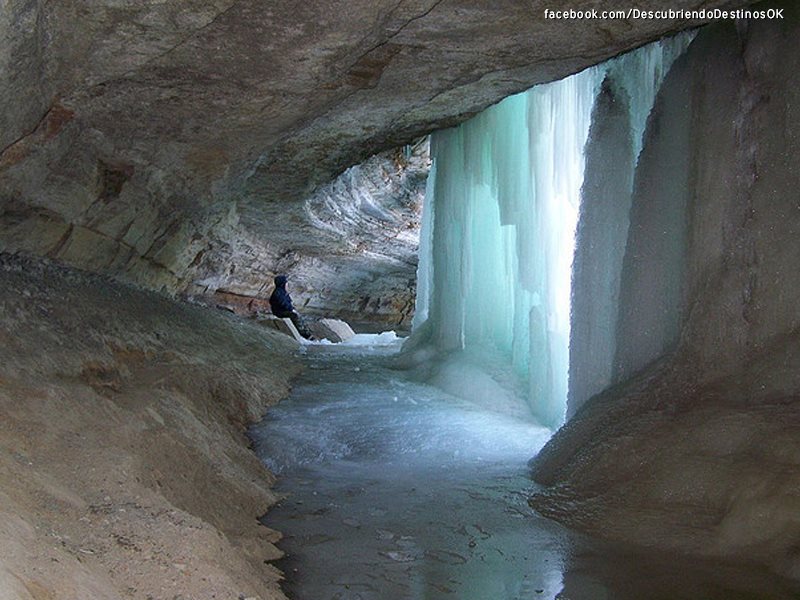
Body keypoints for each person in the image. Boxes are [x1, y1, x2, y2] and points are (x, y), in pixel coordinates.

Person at [269, 274, 313, 339]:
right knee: (294, 315)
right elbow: (283, 304)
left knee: (298, 315)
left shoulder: (283, 292)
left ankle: (306, 332)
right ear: (282, 284)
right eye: (286, 283)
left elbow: (289, 302)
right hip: (279, 312)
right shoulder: (278, 292)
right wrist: (291, 309)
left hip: (283, 310)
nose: (287, 284)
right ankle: (303, 334)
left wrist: (292, 308)